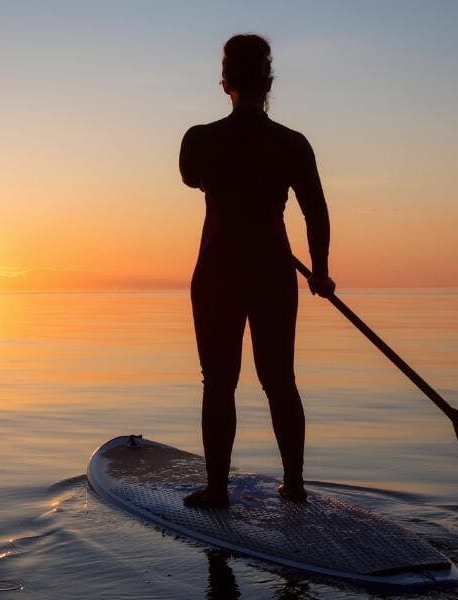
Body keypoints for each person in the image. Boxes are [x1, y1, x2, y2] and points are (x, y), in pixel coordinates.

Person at [179, 34, 335, 508]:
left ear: (225, 81)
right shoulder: (292, 143)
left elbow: (191, 178)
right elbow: (316, 213)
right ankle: (295, 485)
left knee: (219, 382)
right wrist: (320, 271)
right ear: (269, 82)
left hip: (218, 272)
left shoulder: (199, 139)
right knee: (280, 380)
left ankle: (218, 489)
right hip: (272, 271)